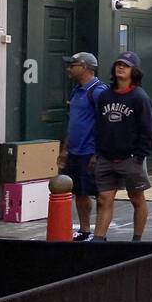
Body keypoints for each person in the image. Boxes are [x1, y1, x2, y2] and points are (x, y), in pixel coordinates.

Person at [92, 52, 152, 242]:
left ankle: (136, 239)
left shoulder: (139, 97)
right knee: (104, 199)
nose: (120, 67)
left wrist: (140, 155)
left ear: (134, 71)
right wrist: (97, 152)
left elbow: (148, 129)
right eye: (118, 64)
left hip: (130, 158)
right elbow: (99, 125)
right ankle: (99, 239)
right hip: (106, 157)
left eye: (126, 66)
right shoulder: (104, 96)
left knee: (136, 198)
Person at [58, 52, 107, 242]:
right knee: (78, 191)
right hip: (75, 151)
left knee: (97, 193)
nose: (69, 69)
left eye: (73, 65)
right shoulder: (76, 91)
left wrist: (97, 152)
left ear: (85, 67)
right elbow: (73, 122)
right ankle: (85, 230)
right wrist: (65, 149)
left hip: (90, 152)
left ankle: (100, 233)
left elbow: (105, 124)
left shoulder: (99, 92)